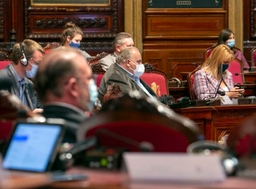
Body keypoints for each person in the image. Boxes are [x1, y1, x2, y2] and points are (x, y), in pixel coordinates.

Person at [33, 47, 98, 143]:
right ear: (73, 87)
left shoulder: (25, 129)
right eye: (89, 78)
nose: (93, 85)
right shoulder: (91, 135)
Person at [0, 39, 43, 110]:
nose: (39, 67)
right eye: (37, 63)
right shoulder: (3, 80)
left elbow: (39, 107)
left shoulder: (29, 84)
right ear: (23, 60)